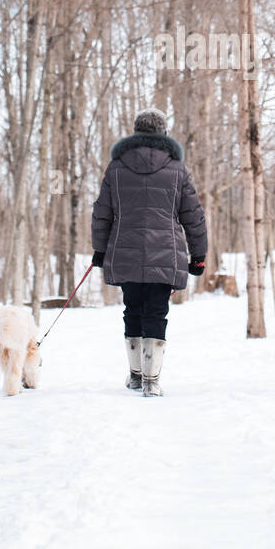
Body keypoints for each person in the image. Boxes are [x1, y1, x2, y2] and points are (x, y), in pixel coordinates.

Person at [91, 108, 207, 396]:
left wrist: (100, 249)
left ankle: (135, 374)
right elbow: (193, 215)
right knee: (157, 312)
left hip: (125, 253)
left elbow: (102, 213)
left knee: (132, 310)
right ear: (163, 133)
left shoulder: (116, 167)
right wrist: (199, 254)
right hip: (165, 254)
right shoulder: (177, 169)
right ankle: (151, 381)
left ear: (136, 132)